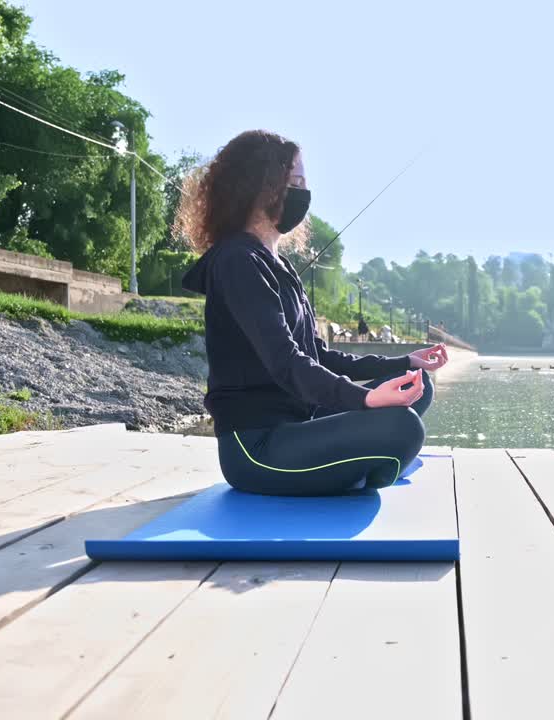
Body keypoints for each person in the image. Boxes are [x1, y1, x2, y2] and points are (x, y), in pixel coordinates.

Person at [179, 129, 449, 497]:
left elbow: (317, 354)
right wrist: (364, 400)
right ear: (259, 186)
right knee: (400, 427)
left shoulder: (278, 264)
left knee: (416, 386)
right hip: (256, 448)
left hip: (300, 422)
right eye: (294, 182)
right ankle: (368, 465)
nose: (302, 193)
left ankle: (363, 466)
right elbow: (285, 361)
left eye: (303, 182)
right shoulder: (237, 261)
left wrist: (403, 361)